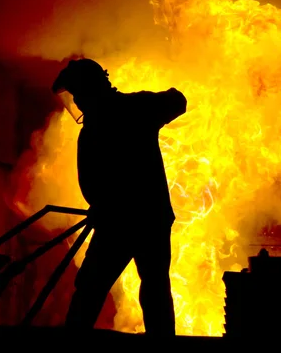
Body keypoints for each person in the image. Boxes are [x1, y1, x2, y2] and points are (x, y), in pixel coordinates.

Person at [52, 58, 187, 335]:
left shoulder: (114, 119)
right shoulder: (132, 110)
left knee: (92, 287)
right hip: (148, 219)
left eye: (78, 93)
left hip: (122, 224)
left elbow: (91, 183)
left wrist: (103, 205)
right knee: (153, 287)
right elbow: (177, 101)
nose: (77, 102)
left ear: (92, 89)